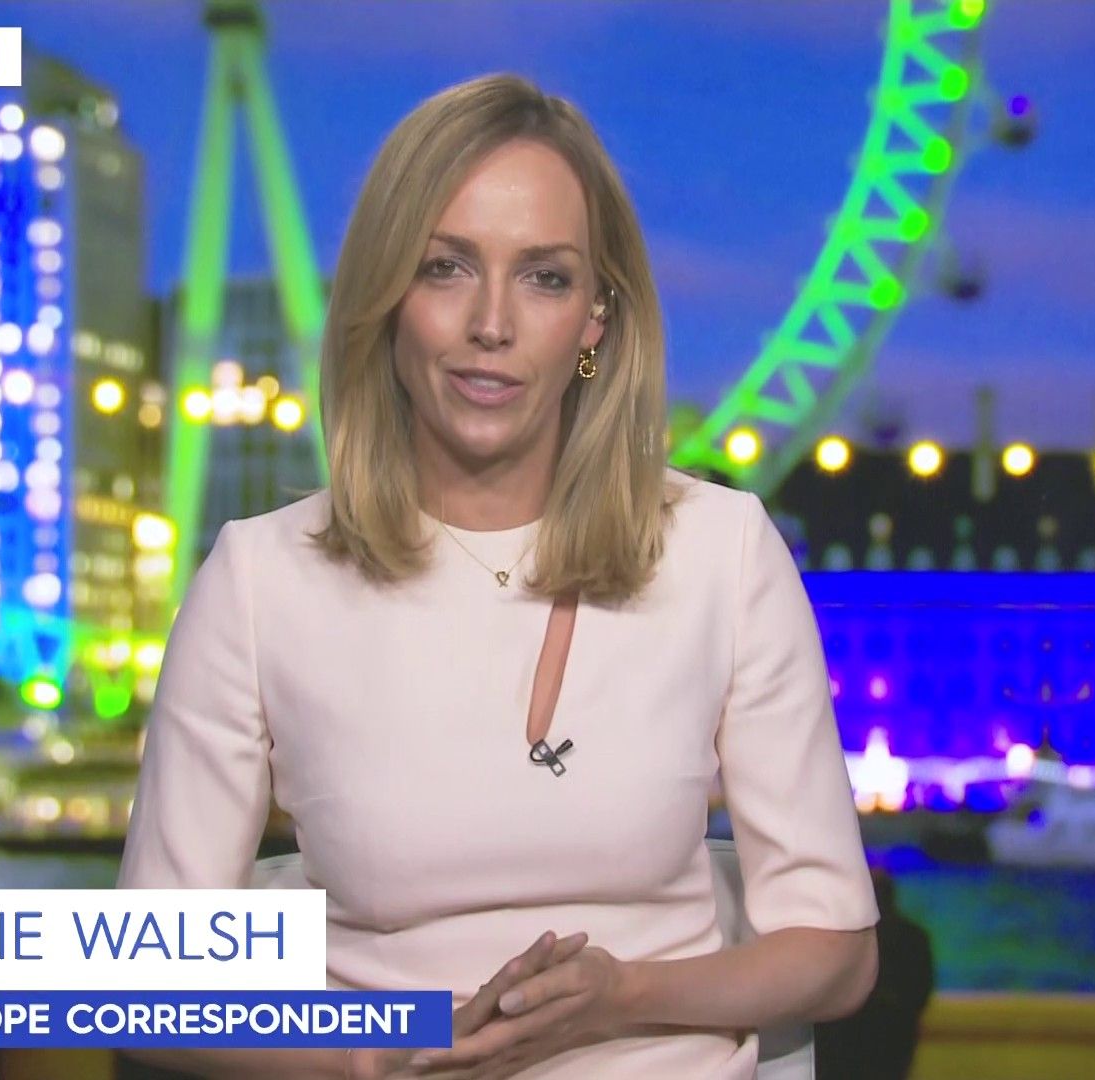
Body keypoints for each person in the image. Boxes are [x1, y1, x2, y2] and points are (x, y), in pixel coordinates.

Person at [118, 72, 878, 1079]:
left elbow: (837, 952)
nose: (492, 322)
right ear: (387, 297)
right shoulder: (261, 582)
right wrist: (388, 1057)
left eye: (545, 278)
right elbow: (151, 991)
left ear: (597, 318)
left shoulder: (722, 551)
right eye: (445, 268)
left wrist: (620, 998)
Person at [812, 869, 936, 1080]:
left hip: (847, 1036)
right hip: (894, 1036)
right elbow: (921, 989)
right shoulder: (914, 937)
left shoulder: (842, 936)